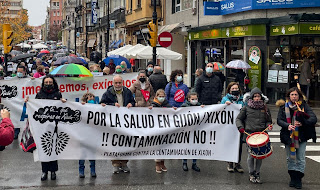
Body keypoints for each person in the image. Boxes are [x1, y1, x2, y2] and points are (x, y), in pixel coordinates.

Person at [25, 75, 67, 181]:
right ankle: (44, 171)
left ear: (53, 83)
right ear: (43, 83)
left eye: (50, 82)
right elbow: (35, 108)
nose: (48, 84)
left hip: (54, 126)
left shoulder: (57, 94)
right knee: (44, 148)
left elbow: (61, 109)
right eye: (46, 82)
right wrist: (28, 102)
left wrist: (63, 102)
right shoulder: (39, 94)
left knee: (53, 149)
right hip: (42, 126)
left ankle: (53, 171)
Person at [277, 87, 317, 189]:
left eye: (296, 95)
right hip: (288, 136)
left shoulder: (304, 106)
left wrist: (303, 122)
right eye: (292, 95)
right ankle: (293, 177)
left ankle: (298, 178)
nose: (294, 97)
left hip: (301, 136)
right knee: (290, 158)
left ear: (299, 96)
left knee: (300, 158)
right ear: (288, 96)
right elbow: (279, 120)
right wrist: (288, 125)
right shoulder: (283, 107)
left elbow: (313, 118)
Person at [100, 75, 135, 174]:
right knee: (114, 142)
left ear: (122, 83)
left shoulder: (127, 92)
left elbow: (133, 101)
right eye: (116, 83)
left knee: (125, 142)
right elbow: (102, 104)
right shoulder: (108, 93)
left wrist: (131, 104)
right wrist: (112, 105)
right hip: (113, 122)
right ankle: (115, 164)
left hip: (125, 121)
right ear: (113, 83)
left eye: (120, 83)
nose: (118, 85)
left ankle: (124, 163)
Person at [236, 87, 272, 184]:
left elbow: (268, 120)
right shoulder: (246, 107)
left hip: (261, 134)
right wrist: (241, 128)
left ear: (261, 97)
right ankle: (251, 173)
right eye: (255, 96)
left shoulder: (265, 108)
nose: (257, 98)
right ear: (251, 97)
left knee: (260, 155)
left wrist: (269, 125)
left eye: (258, 96)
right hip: (250, 134)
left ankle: (257, 173)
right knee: (251, 155)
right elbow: (238, 119)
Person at [221, 82, 245, 173]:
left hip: (239, 125)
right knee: (230, 144)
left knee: (239, 145)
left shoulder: (242, 99)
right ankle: (230, 162)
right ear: (229, 90)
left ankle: (237, 163)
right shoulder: (225, 99)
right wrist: (225, 104)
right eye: (233, 89)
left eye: (236, 88)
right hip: (229, 126)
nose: (235, 90)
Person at [149, 89, 172, 173]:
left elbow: (171, 110)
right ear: (156, 97)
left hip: (165, 128)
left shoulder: (166, 104)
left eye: (163, 96)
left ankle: (162, 163)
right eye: (160, 96)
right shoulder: (153, 105)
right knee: (157, 146)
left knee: (164, 146)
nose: (162, 98)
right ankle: (157, 164)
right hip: (156, 129)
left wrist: (174, 109)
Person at [181, 92, 204, 172]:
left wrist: (203, 108)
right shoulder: (184, 106)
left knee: (195, 147)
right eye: (192, 99)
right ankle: (184, 162)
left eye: (196, 99)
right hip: (187, 130)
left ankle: (194, 163)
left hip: (196, 130)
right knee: (186, 147)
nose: (194, 101)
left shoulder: (199, 106)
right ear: (188, 99)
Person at [79, 92, 97, 178]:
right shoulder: (80, 108)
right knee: (82, 154)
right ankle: (81, 170)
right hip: (82, 134)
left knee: (91, 154)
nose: (91, 99)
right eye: (89, 98)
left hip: (91, 134)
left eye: (92, 98)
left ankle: (92, 170)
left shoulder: (96, 107)